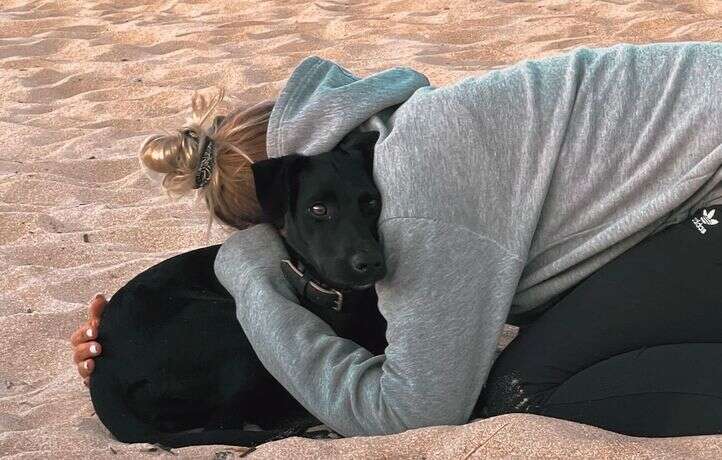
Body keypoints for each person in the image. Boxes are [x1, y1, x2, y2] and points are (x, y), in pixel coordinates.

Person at [72, 42, 722, 438]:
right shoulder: (396, 127)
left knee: (523, 394)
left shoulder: (415, 192)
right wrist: (126, 337)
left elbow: (415, 412)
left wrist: (250, 285)